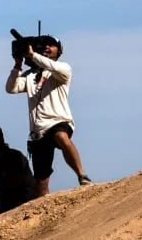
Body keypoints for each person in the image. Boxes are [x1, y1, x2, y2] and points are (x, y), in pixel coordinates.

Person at [6, 35, 91, 196]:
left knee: (61, 136)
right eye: (43, 45)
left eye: (52, 45)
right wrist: (17, 65)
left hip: (58, 120)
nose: (47, 47)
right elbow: (11, 88)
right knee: (41, 179)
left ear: (59, 50)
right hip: (38, 131)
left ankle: (82, 175)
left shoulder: (63, 69)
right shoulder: (30, 76)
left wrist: (32, 55)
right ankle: (43, 210)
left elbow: (52, 67)